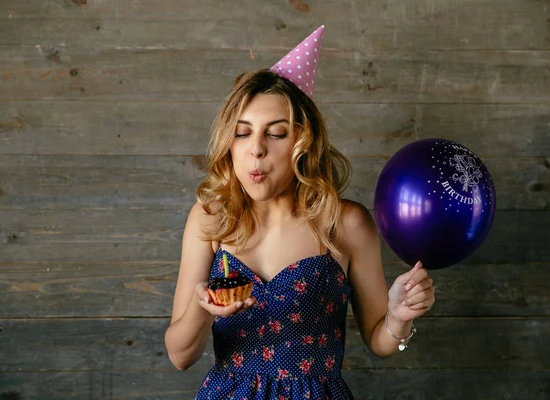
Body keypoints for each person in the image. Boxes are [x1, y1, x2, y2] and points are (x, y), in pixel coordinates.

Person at [164, 26, 435, 399]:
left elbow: (380, 341)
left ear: (303, 143)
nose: (256, 149)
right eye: (242, 133)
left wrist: (399, 318)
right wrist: (204, 307)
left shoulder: (346, 223)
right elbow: (180, 355)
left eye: (275, 134)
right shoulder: (211, 218)